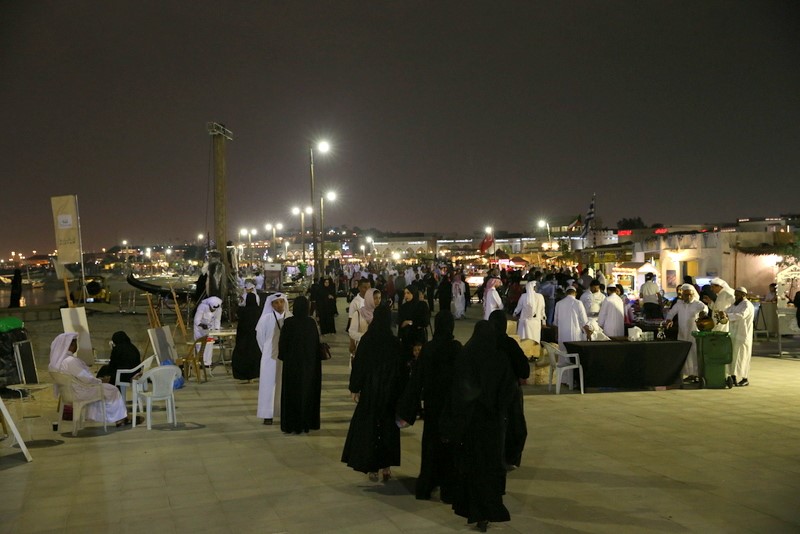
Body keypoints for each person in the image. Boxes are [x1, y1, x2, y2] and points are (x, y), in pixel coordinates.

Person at [440, 321, 516, 532]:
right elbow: (509, 391)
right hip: (492, 425)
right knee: (489, 468)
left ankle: (473, 509)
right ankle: (488, 510)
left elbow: (457, 390)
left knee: (471, 468)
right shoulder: (499, 358)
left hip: (470, 424)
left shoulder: (466, 356)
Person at [396, 310, 462, 501]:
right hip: (450, 406)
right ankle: (449, 489)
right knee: (449, 447)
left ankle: (427, 484)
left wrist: (409, 405)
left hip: (432, 404)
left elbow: (417, 379)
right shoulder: (456, 348)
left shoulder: (430, 348)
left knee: (431, 445)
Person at [342, 306, 405, 482]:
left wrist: (355, 387)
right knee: (387, 430)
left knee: (370, 428)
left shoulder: (368, 341)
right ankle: (386, 467)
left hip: (371, 392)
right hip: (390, 394)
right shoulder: (394, 343)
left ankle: (372, 468)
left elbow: (359, 366)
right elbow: (401, 371)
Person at [49, 332, 128, 426]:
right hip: (80, 392)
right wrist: (100, 381)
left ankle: (101, 416)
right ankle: (120, 419)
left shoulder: (55, 363)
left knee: (105, 388)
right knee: (112, 389)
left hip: (68, 393)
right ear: (71, 345)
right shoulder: (70, 361)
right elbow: (86, 379)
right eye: (75, 343)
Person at [488, 310, 530, 470]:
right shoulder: (509, 344)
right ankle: (509, 458)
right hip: (509, 392)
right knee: (515, 426)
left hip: (487, 393)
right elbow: (524, 370)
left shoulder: (482, 343)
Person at [278, 296, 322, 434]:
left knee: (292, 394)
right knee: (307, 393)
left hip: (292, 366)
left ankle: (292, 424)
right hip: (309, 366)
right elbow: (316, 345)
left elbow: (282, 345)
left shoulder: (289, 323)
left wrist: (286, 357)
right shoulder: (311, 323)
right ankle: (307, 422)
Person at [256, 293, 290, 425]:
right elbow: (260, 338)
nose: (279, 305)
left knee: (284, 384)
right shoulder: (266, 319)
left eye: (281, 302)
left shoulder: (290, 317)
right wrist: (266, 352)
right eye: (276, 303)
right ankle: (267, 414)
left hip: (286, 356)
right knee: (268, 384)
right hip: (269, 356)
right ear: (271, 305)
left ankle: (283, 411)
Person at [665, 284, 709, 381]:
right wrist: (669, 319)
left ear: (693, 295)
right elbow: (671, 313)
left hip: (693, 333)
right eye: (686, 295)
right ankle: (688, 374)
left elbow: (705, 308)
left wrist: (704, 314)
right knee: (684, 354)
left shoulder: (697, 304)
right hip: (682, 333)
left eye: (690, 295)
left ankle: (696, 374)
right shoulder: (679, 304)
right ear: (682, 295)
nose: (688, 297)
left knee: (693, 353)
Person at [554, 286, 592, 388]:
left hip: (562, 335)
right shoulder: (578, 303)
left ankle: (564, 380)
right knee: (574, 358)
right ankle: (573, 381)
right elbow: (584, 321)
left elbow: (556, 322)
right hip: (575, 336)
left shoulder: (559, 304)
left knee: (563, 357)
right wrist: (588, 332)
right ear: (575, 293)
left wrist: (557, 335)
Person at [720, 287, 754, 387]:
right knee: (734, 357)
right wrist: (723, 313)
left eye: (738, 295)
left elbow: (741, 315)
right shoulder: (736, 304)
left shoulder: (747, 305)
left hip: (743, 335)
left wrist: (728, 316)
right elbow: (727, 310)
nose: (736, 297)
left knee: (742, 357)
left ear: (744, 295)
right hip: (734, 334)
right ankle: (733, 376)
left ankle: (745, 378)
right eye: (735, 295)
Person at [231, 292, 261, 382]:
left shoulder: (242, 311)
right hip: (255, 339)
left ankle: (244, 376)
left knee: (243, 356)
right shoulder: (259, 310)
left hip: (244, 339)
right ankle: (255, 374)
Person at [398, 286, 429, 356]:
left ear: (414, 293)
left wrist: (409, 322)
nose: (406, 295)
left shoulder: (422, 305)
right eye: (405, 293)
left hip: (419, 339)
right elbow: (401, 324)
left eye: (408, 293)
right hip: (406, 339)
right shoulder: (403, 307)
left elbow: (425, 322)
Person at [348, 288, 381, 354]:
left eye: (379, 298)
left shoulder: (380, 313)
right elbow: (352, 332)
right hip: (362, 347)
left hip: (377, 348)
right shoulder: (358, 314)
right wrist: (366, 336)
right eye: (375, 298)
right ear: (369, 299)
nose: (378, 301)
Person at [193, 296, 222, 367]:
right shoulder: (202, 307)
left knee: (209, 344)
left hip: (210, 329)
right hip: (199, 329)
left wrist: (217, 331)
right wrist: (202, 325)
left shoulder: (219, 309)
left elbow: (217, 320)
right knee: (200, 345)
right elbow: (197, 319)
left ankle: (207, 363)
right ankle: (200, 363)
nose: (213, 311)